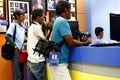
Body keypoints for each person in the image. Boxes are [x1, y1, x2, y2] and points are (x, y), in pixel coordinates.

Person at [48, 1, 91, 80]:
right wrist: (84, 43)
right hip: (60, 61)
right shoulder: (62, 21)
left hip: (54, 59)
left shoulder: (57, 21)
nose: (70, 12)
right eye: (70, 10)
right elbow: (71, 43)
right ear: (65, 10)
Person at [5, 9, 26, 80]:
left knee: (22, 72)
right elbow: (7, 36)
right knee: (17, 74)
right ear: (17, 16)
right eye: (22, 14)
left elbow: (22, 38)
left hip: (22, 51)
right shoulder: (14, 25)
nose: (24, 16)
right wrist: (15, 46)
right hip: (16, 52)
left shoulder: (22, 27)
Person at [27, 9, 47, 80]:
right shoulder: (37, 27)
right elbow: (45, 42)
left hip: (30, 59)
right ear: (38, 17)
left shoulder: (31, 27)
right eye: (43, 17)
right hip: (37, 60)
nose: (43, 19)